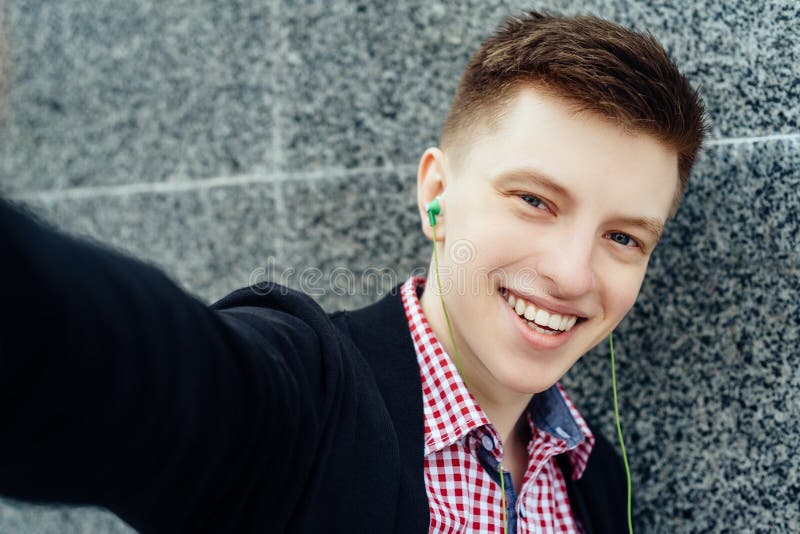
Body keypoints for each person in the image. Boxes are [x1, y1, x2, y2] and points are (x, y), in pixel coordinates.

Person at [0, 10, 705, 534]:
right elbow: (134, 371)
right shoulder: (306, 400)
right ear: (437, 197)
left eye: (623, 236)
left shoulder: (592, 476)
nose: (572, 272)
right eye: (533, 200)